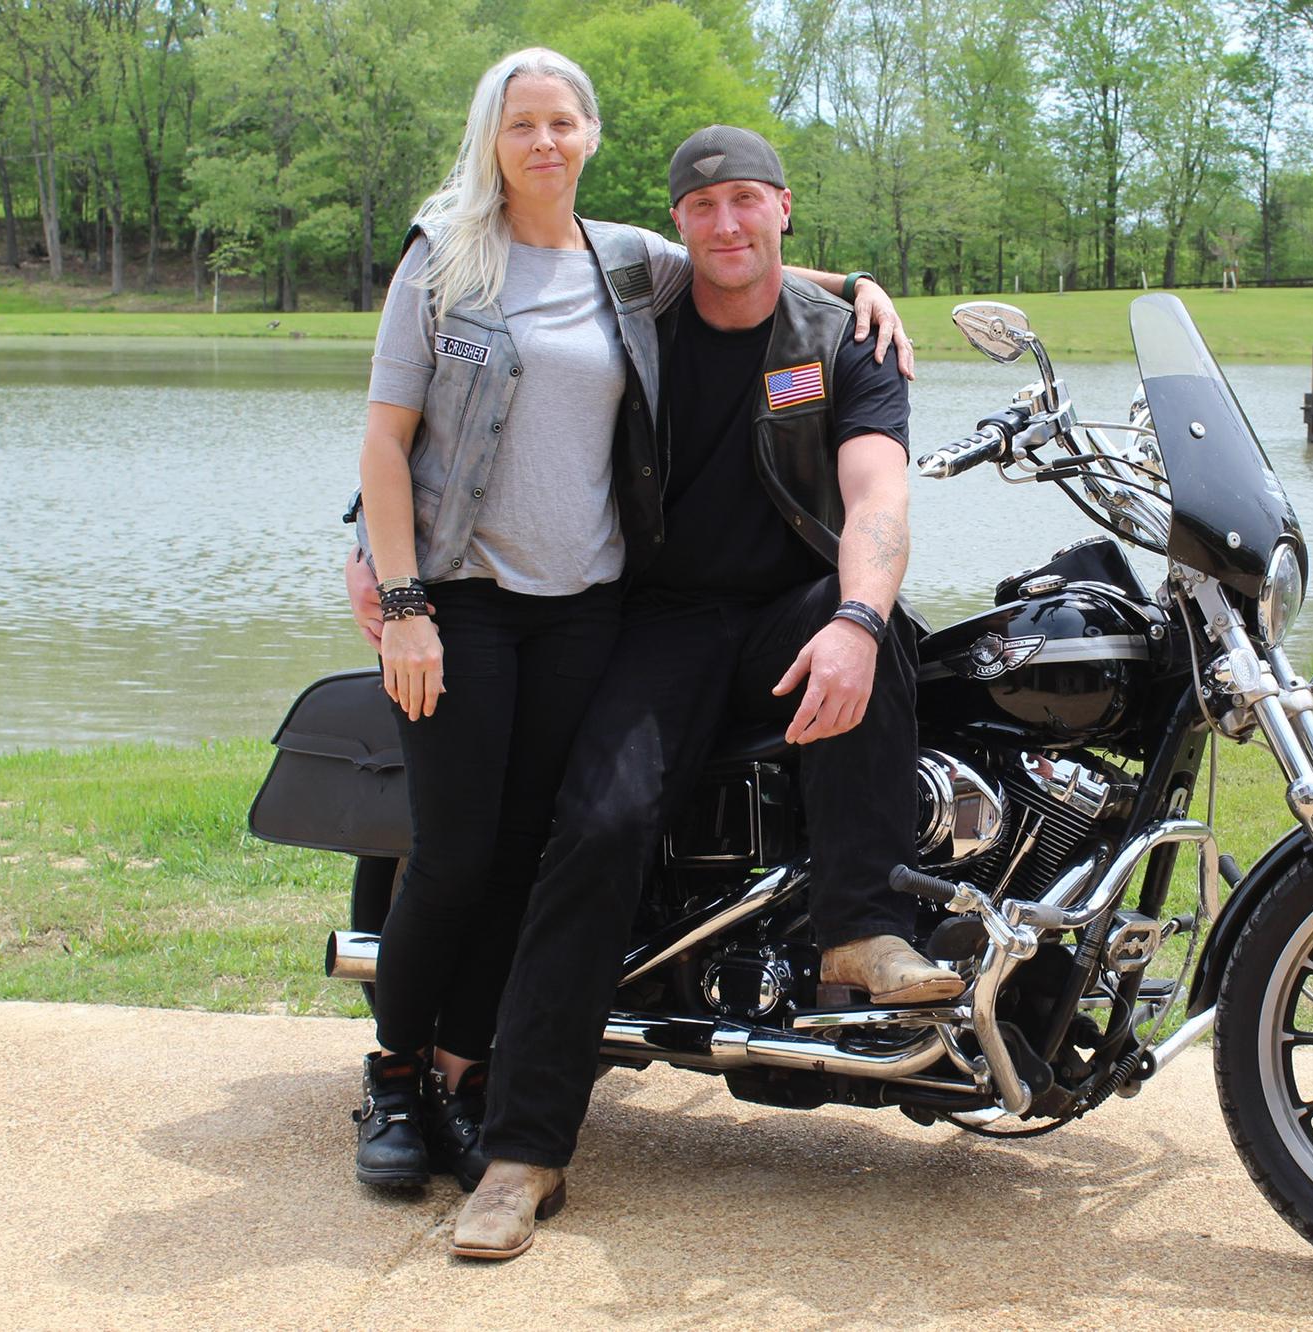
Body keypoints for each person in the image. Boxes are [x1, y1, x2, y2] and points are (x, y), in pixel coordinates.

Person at [347, 53, 911, 1198]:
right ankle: (452, 1107)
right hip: (543, 606)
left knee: (532, 845)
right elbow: (397, 430)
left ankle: (858, 924)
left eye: (561, 122)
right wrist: (379, 562)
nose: (542, 142)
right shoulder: (487, 262)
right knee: (515, 845)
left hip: (630, 607)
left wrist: (859, 286)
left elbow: (864, 475)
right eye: (521, 125)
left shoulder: (712, 292)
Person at [448, 126, 957, 1261]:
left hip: (790, 602)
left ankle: (863, 929)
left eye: (747, 201)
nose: (727, 224)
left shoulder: (840, 342)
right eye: (703, 207)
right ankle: (521, 1154)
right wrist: (371, 537)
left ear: (783, 206)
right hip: (661, 620)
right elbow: (480, 364)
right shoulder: (637, 314)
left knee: (871, 628)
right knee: (600, 828)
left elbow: (876, 494)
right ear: (675, 225)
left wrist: (856, 619)